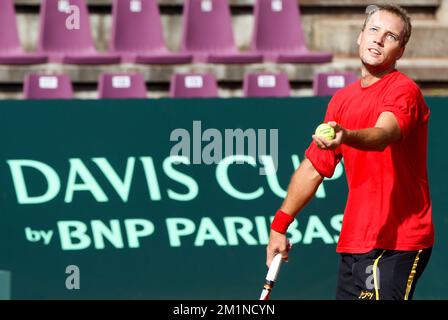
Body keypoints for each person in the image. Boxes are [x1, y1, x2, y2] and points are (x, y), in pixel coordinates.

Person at [266, 4, 434, 300]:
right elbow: (314, 167)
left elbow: (383, 134)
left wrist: (347, 135)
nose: (379, 39)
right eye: (373, 30)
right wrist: (279, 226)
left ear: (401, 51)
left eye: (390, 36)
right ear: (359, 37)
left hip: (398, 243)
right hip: (354, 243)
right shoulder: (341, 101)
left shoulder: (404, 91)